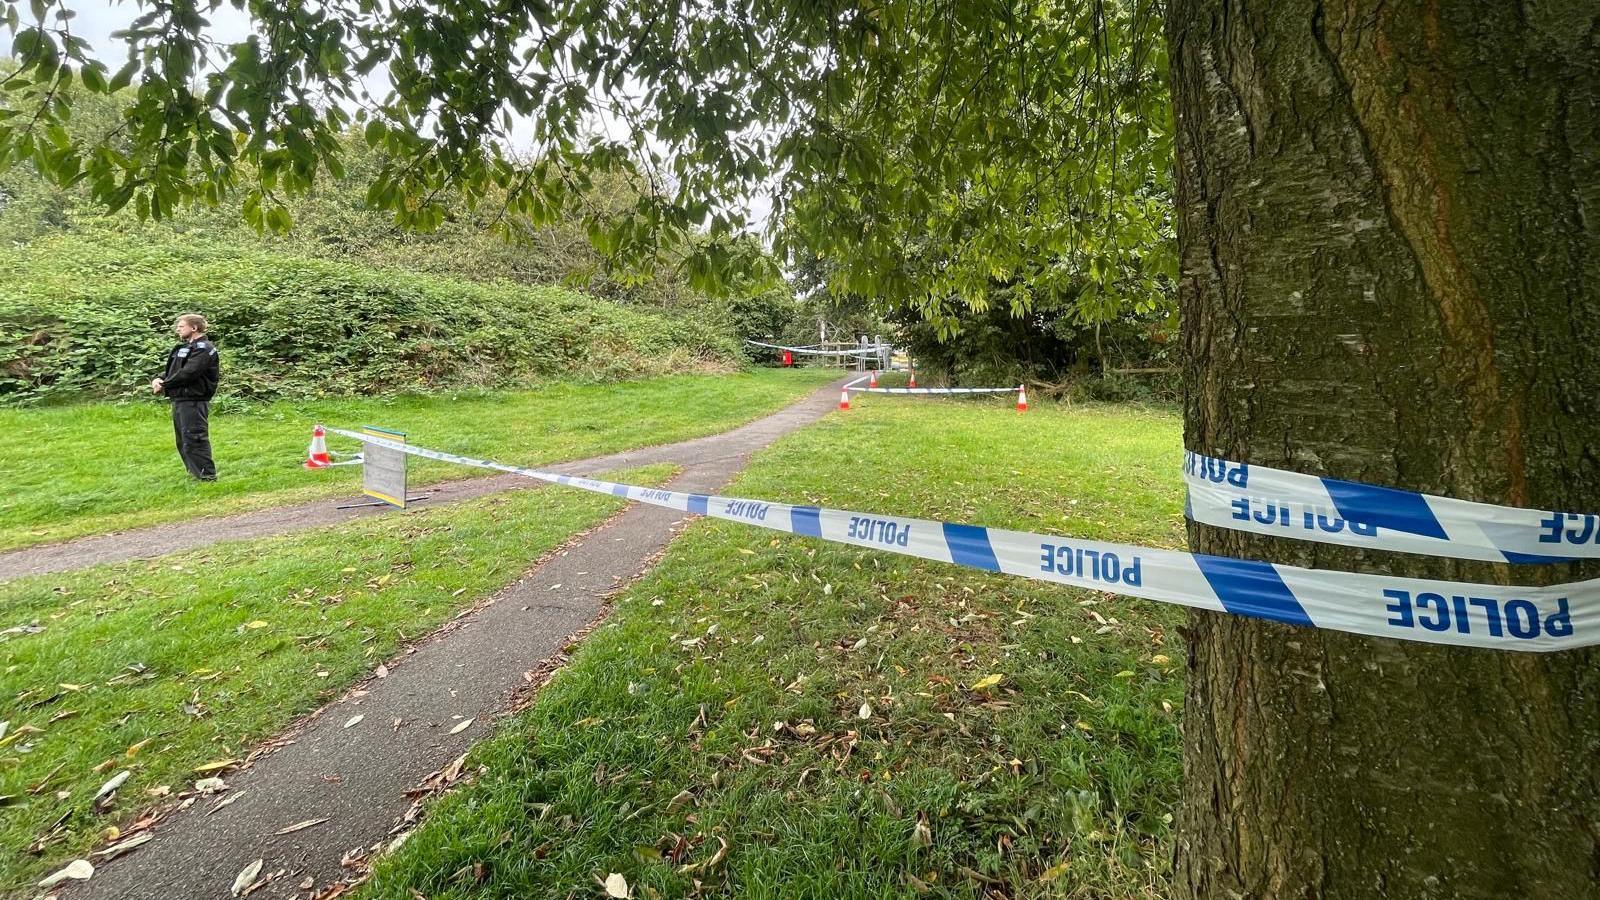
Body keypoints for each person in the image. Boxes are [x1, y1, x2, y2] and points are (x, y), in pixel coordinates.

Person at [152, 313, 220, 481]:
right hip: (180, 399)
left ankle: (207, 477)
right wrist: (159, 378)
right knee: (183, 440)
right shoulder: (184, 348)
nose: (178, 330)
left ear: (194, 328)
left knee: (195, 438)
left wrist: (165, 384)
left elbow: (189, 372)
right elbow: (174, 370)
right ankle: (195, 474)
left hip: (195, 400)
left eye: (181, 326)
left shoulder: (205, 348)